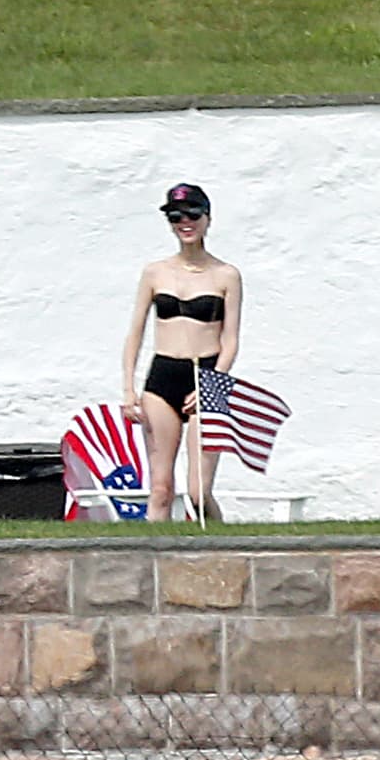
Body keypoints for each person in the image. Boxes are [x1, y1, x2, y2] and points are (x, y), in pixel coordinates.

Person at [120, 183, 242, 522]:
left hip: (209, 374)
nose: (185, 222)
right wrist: (129, 389)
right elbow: (135, 333)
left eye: (192, 214)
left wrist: (210, 383)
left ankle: (223, 552)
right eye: (176, 216)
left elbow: (230, 340)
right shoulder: (155, 272)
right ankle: (147, 567)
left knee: (198, 492)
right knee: (160, 490)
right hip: (163, 376)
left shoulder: (226, 275)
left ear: (208, 219)